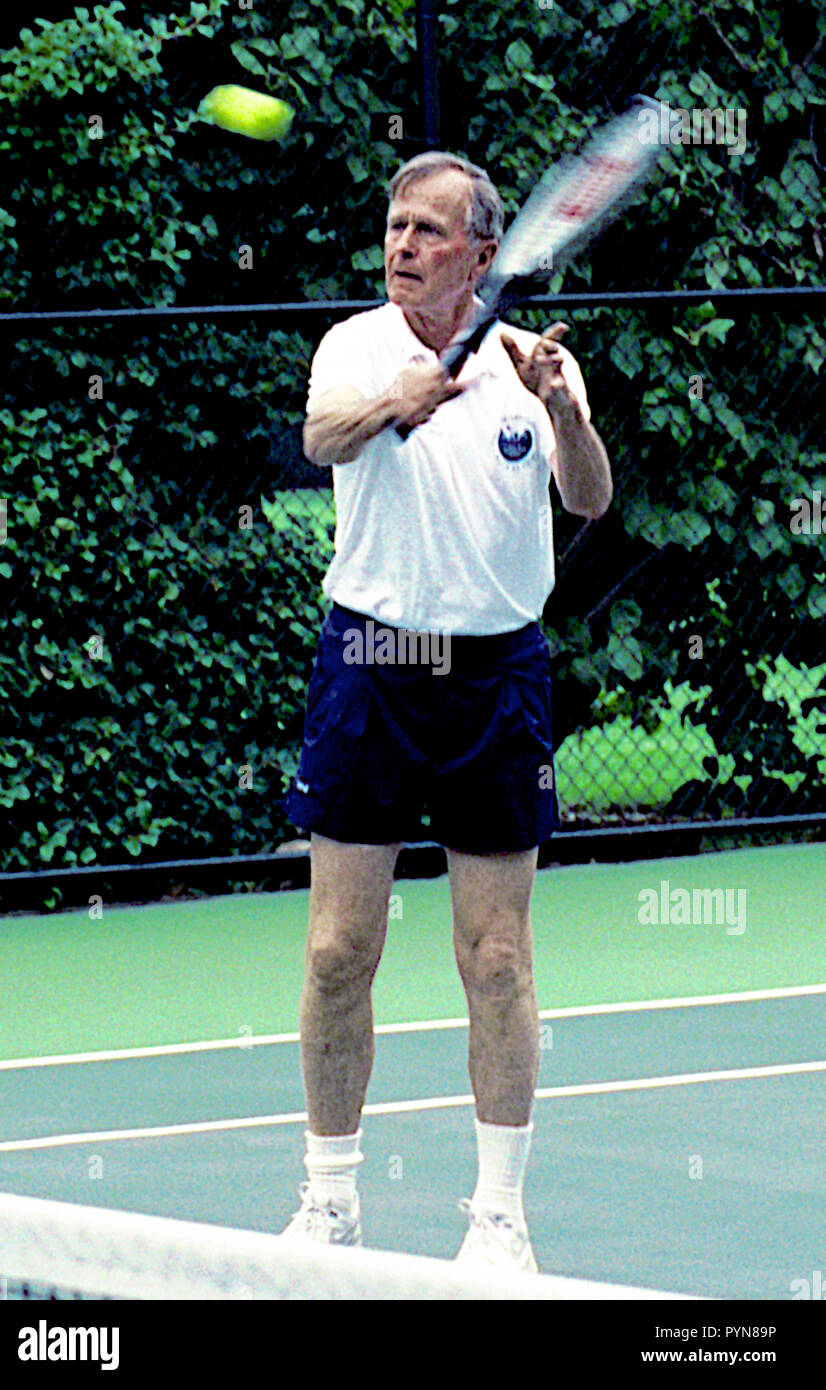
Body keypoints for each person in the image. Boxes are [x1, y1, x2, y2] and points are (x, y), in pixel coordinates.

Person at [281, 150, 612, 1274]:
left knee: (498, 958)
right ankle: (330, 1202)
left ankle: (500, 1218)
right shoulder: (353, 348)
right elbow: (321, 437)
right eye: (394, 226)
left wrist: (564, 410)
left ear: (482, 250)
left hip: (496, 672)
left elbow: (589, 499)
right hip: (370, 663)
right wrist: (396, 404)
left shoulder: (532, 363)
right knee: (337, 951)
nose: (402, 247)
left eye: (428, 231)